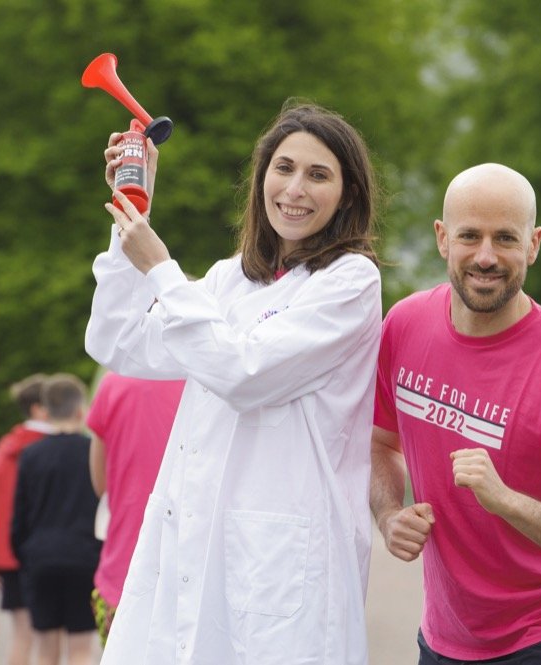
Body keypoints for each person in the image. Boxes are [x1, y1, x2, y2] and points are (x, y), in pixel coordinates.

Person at [84, 101, 382, 664]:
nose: (294, 189)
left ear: (347, 195)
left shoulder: (349, 283)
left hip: (284, 563)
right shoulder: (230, 279)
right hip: (199, 547)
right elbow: (117, 342)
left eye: (318, 175)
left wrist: (162, 270)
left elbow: (244, 374)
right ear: (262, 175)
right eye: (283, 167)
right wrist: (130, 212)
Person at [371, 163, 541, 665]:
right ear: (443, 238)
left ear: (533, 245)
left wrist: (508, 502)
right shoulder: (404, 326)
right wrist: (387, 515)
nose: (486, 257)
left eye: (505, 239)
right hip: (450, 633)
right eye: (470, 236)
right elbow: (380, 443)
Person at [85, 371, 185, 645]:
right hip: (190, 578)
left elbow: (100, 483)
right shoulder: (211, 379)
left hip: (122, 572)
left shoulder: (114, 382)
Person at [11, 373, 101, 665]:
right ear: (80, 410)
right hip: (83, 556)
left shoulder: (31, 455)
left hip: (41, 558)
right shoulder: (92, 451)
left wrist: (23, 553)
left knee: (46, 650)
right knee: (81, 650)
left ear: (45, 411)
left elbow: (20, 514)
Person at [0, 373, 54, 665]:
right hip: (42, 554)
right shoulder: (49, 450)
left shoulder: (4, 450)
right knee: (50, 642)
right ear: (40, 408)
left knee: (22, 637)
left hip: (9, 558)